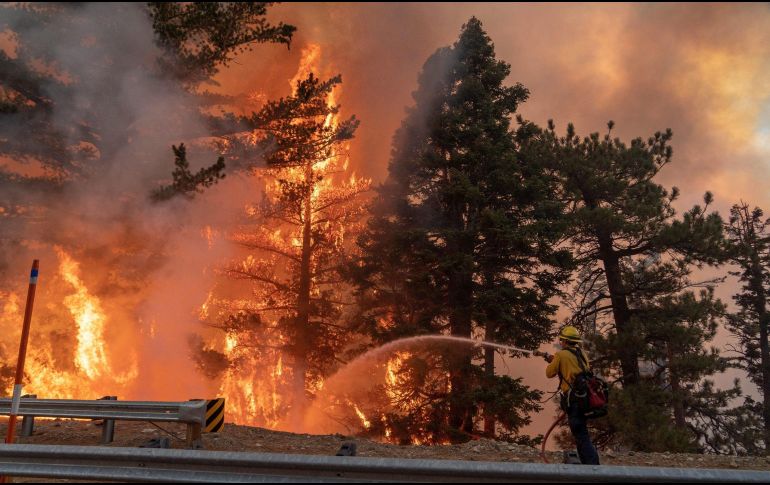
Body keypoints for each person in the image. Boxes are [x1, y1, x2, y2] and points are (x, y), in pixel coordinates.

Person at [542, 326, 600, 465]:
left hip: (574, 401)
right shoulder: (582, 353)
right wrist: (553, 359)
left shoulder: (561, 355)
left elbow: (549, 373)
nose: (561, 342)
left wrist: (555, 360)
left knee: (581, 434)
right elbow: (573, 367)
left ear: (566, 341)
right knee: (580, 433)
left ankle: (594, 468)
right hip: (584, 398)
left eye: (562, 340)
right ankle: (587, 467)